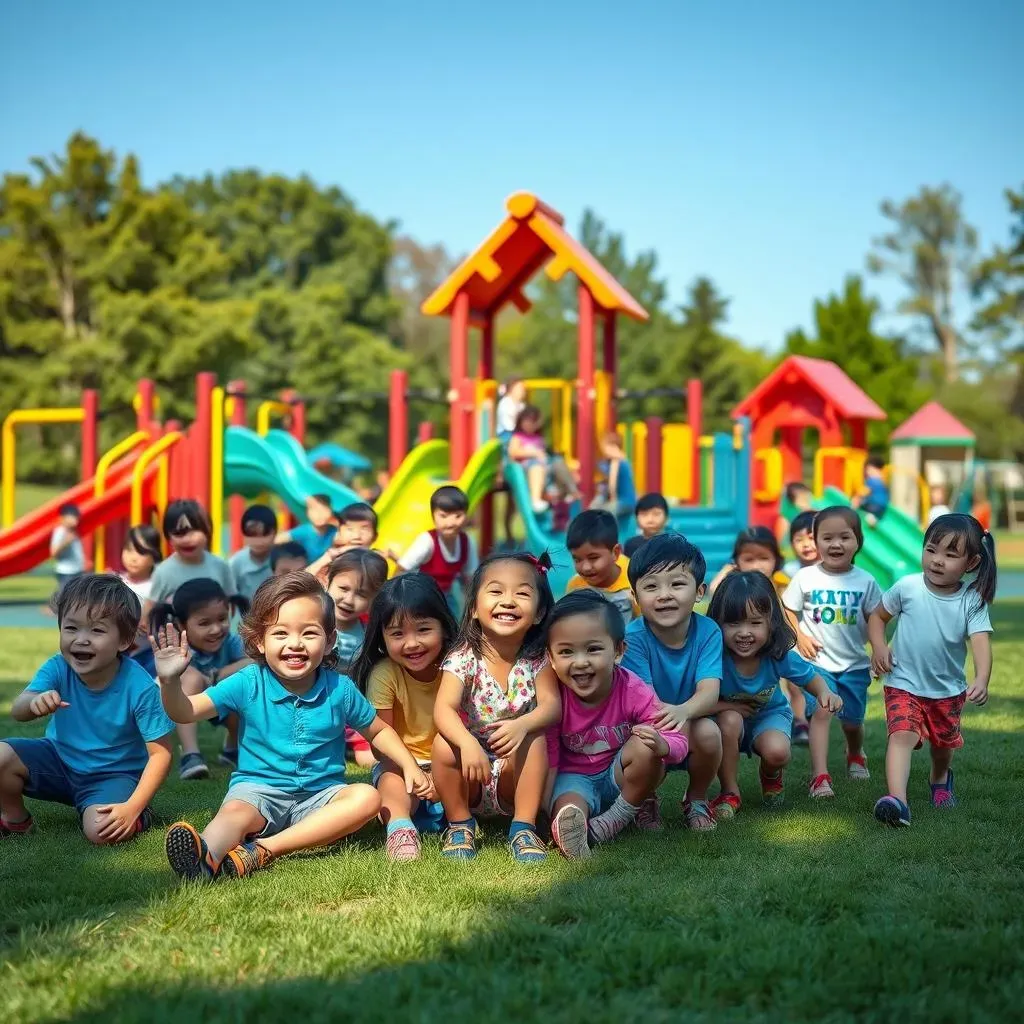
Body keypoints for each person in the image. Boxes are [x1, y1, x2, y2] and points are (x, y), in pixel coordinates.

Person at [152, 571, 431, 880]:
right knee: (233, 814)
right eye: (280, 633)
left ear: (329, 641)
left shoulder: (340, 688)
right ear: (259, 641)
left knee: (366, 797)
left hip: (321, 797)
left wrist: (410, 766)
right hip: (257, 793)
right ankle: (205, 858)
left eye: (309, 633)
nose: (295, 644)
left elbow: (378, 730)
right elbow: (185, 711)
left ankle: (265, 849)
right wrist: (169, 681)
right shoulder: (247, 682)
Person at [0, 575, 174, 842]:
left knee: (100, 831)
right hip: (58, 761)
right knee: (1, 756)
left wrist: (132, 808)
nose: (81, 639)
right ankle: (16, 820)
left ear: (124, 640)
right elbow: (18, 710)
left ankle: (141, 815)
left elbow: (161, 754)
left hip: (112, 775)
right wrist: (33, 703)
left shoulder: (139, 686)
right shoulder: (58, 667)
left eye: (96, 630)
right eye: (71, 628)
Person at [868, 514, 996, 828]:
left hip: (947, 690)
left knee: (943, 746)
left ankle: (939, 779)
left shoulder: (971, 601)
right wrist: (879, 647)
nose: (937, 561)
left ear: (971, 562)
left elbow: (980, 643)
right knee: (902, 735)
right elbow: (877, 617)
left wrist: (981, 678)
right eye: (931, 550)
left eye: (950, 555)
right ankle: (898, 802)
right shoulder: (907, 587)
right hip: (902, 682)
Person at [432, 552, 559, 862]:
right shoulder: (463, 658)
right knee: (443, 744)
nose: (509, 601)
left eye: (522, 593)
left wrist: (523, 725)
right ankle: (460, 823)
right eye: (496, 591)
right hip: (471, 772)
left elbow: (552, 706)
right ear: (474, 607)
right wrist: (466, 743)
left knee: (535, 738)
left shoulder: (536, 660)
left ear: (540, 613)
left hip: (513, 778)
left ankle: (523, 827)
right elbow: (443, 709)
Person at [545, 591, 688, 860]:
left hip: (619, 774)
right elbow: (549, 753)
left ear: (619, 651)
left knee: (646, 745)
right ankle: (574, 832)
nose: (580, 662)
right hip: (573, 777)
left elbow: (677, 738)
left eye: (593, 649)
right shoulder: (553, 696)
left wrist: (663, 745)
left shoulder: (633, 688)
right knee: (568, 808)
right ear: (550, 658)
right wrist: (543, 810)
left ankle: (616, 818)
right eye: (566, 652)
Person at [706, 571, 841, 817]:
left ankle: (770, 776)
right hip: (725, 719)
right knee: (730, 720)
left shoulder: (776, 653)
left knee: (778, 752)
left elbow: (810, 677)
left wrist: (825, 692)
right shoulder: (713, 656)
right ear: (717, 622)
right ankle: (729, 791)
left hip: (768, 715)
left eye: (755, 623)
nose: (744, 632)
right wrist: (729, 708)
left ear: (771, 623)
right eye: (734, 623)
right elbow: (696, 698)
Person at [351, 574, 460, 861]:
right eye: (397, 634)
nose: (411, 643)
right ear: (382, 637)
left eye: (423, 629)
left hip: (449, 760)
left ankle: (459, 825)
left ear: (444, 626)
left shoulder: (457, 666)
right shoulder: (385, 674)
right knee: (391, 781)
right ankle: (400, 828)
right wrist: (412, 769)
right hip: (400, 761)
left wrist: (439, 776)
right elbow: (380, 743)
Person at [620, 534, 723, 832]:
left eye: (677, 584)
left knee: (709, 732)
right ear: (635, 596)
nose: (664, 595)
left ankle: (697, 798)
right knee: (643, 742)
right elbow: (646, 702)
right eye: (651, 586)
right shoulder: (634, 637)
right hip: (645, 723)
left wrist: (685, 714)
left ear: (699, 591)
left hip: (689, 717)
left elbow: (709, 691)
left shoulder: (708, 632)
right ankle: (644, 797)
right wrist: (674, 722)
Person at [782, 507, 882, 798]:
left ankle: (854, 752)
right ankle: (820, 777)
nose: (836, 544)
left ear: (858, 541)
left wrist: (878, 649)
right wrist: (799, 636)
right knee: (822, 714)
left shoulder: (866, 581)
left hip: (854, 664)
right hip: (818, 663)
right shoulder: (805, 577)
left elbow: (877, 616)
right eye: (827, 538)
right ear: (815, 541)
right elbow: (788, 607)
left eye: (844, 537)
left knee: (852, 722)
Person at [150, 579, 251, 781]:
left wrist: (217, 675)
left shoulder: (230, 642)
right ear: (181, 625)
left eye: (222, 619)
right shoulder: (176, 648)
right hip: (176, 704)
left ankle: (232, 748)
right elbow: (166, 683)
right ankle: (190, 754)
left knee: (243, 683)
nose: (216, 629)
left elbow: (253, 662)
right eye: (204, 623)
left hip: (215, 698)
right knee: (191, 677)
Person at [326, 548, 389, 769]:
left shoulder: (369, 631)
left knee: (370, 759)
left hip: (354, 711)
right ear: (328, 581)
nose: (348, 599)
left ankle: (351, 746)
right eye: (343, 588)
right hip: (318, 709)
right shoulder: (313, 623)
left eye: (361, 594)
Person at [143, 500, 235, 626]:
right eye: (178, 533)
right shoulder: (164, 572)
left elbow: (232, 602)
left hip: (215, 637)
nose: (187, 539)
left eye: (193, 531)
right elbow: (150, 608)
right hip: (177, 640)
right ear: (168, 537)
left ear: (208, 531)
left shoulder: (220, 567)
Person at [396, 486, 478, 610]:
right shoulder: (427, 541)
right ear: (433, 516)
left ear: (466, 516)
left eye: (458, 516)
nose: (450, 523)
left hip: (446, 596)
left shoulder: (467, 541)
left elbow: (470, 578)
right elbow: (401, 569)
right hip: (422, 596)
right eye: (443, 516)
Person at [565, 509, 639, 622]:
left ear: (615, 552)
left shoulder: (635, 581)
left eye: (593, 558)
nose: (586, 568)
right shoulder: (576, 588)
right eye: (577, 559)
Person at [506, 405, 581, 514]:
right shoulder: (518, 437)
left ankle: (571, 491)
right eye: (527, 421)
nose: (529, 425)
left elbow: (546, 455)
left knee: (558, 462)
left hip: (546, 471)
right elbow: (513, 452)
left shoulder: (538, 438)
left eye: (533, 422)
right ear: (520, 421)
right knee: (537, 467)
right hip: (528, 471)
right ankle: (535, 500)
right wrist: (534, 453)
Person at [708, 526, 789, 599]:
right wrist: (726, 570)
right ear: (736, 562)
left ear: (776, 559)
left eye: (764, 558)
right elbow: (714, 592)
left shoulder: (781, 584)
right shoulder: (734, 587)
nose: (756, 566)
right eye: (749, 560)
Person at [306, 502, 380, 578]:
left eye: (364, 529)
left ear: (375, 536)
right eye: (350, 529)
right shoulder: (330, 561)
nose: (356, 536)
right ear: (338, 533)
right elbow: (299, 583)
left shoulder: (377, 562)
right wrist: (328, 557)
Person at [229, 504, 277, 601]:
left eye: (264, 534)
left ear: (275, 532)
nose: (258, 541)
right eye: (252, 535)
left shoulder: (281, 557)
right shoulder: (236, 562)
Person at [276, 494, 337, 562]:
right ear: (307, 513)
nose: (319, 514)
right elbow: (277, 540)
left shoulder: (334, 531)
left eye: (323, 509)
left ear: (331, 511)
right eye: (314, 510)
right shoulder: (304, 531)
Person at [592, 433, 636, 519]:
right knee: (596, 506)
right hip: (621, 499)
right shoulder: (619, 460)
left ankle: (608, 531)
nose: (604, 450)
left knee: (607, 510)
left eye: (605, 447)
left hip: (625, 501)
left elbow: (612, 485)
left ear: (613, 447)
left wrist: (612, 500)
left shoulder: (616, 461)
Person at [119, 525, 163, 603]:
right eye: (129, 550)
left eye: (141, 552)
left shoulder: (158, 589)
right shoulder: (115, 583)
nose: (134, 558)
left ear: (154, 556)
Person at [50, 503, 85, 596]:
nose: (76, 520)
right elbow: (54, 552)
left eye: (76, 517)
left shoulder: (73, 531)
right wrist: (66, 542)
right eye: (72, 517)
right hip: (66, 571)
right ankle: (54, 607)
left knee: (74, 594)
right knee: (66, 595)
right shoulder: (60, 532)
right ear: (63, 518)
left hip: (76, 569)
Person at [624, 492, 669, 557]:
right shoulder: (631, 545)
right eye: (644, 514)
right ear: (636, 518)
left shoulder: (675, 545)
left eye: (656, 514)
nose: (650, 520)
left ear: (666, 517)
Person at [853, 457, 889, 526]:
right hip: (883, 507)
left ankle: (870, 517)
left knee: (860, 502)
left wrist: (855, 500)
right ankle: (875, 517)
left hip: (873, 506)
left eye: (868, 470)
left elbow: (863, 492)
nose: (867, 472)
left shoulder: (872, 481)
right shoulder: (883, 482)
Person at [782, 510, 818, 579]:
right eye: (799, 540)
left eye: (811, 538)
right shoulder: (789, 571)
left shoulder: (834, 569)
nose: (806, 544)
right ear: (792, 544)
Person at [496, 377, 527, 443]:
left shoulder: (521, 405)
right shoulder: (505, 403)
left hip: (518, 434)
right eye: (520, 388)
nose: (523, 391)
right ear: (512, 389)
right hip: (506, 435)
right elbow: (510, 426)